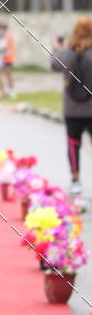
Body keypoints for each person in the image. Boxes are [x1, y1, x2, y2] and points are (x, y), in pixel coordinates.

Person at [51, 17, 92, 196]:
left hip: (73, 107)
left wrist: (57, 48)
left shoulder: (70, 51)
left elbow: (54, 65)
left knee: (73, 144)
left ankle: (75, 180)